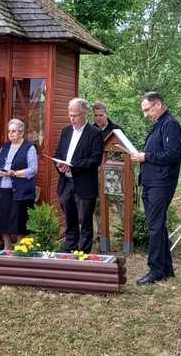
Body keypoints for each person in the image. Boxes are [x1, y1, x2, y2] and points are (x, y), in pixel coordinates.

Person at [131, 91, 181, 286]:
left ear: (158, 104)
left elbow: (172, 155)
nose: (146, 115)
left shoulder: (170, 124)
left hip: (161, 183)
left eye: (147, 110)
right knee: (158, 226)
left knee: (155, 227)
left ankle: (155, 270)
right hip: (151, 182)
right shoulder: (159, 125)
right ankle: (166, 269)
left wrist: (145, 156)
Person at [53, 98, 104, 254]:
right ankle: (69, 249)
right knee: (69, 219)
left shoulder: (95, 133)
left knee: (85, 221)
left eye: (75, 115)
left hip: (85, 183)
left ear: (85, 113)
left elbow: (95, 160)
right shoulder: (66, 131)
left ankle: (83, 254)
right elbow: (58, 153)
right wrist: (59, 165)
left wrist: (73, 166)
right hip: (66, 182)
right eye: (70, 115)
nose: (72, 119)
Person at [0, 118, 38, 250]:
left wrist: (15, 173)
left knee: (19, 222)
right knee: (2, 221)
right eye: (9, 131)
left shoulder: (29, 148)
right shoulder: (5, 146)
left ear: (21, 133)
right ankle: (7, 247)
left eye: (13, 131)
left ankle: (20, 248)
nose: (10, 134)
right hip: (2, 190)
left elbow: (33, 169)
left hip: (20, 192)